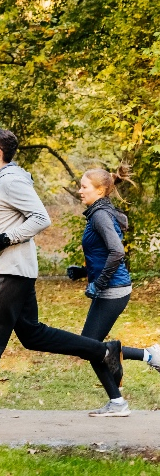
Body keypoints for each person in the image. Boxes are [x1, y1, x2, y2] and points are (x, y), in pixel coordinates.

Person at [0, 128, 124, 430]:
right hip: (12, 269)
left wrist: (6, 238)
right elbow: (3, 230)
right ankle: (103, 351)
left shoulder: (11, 180)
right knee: (33, 335)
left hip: (12, 271)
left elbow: (41, 217)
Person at [65, 166, 160, 416]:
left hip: (113, 290)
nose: (79, 190)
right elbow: (103, 253)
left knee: (88, 346)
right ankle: (143, 364)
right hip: (113, 288)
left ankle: (147, 359)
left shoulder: (100, 215)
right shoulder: (100, 211)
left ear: (100, 190)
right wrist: (85, 273)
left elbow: (117, 251)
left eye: (84, 186)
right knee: (89, 346)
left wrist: (98, 283)